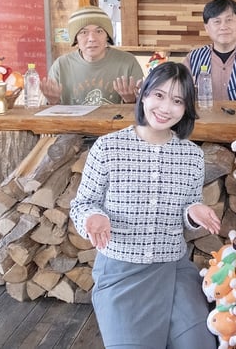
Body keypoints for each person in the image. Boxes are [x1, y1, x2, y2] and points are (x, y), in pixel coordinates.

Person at [69, 61, 221, 348]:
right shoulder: (108, 147)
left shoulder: (192, 155)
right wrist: (92, 217)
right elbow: (83, 204)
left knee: (198, 343)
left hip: (173, 269)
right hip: (120, 272)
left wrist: (193, 211)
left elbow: (189, 205)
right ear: (144, 93)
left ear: (186, 108)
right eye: (159, 95)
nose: (165, 108)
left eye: (177, 101)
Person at [40, 6, 144, 105]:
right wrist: (53, 102)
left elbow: (144, 109)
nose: (92, 39)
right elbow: (49, 112)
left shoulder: (128, 62)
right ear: (75, 39)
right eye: (83, 32)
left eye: (99, 31)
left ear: (107, 36)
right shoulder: (61, 65)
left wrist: (131, 100)